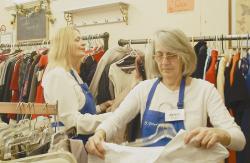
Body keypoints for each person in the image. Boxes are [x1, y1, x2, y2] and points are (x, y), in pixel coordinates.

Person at [85, 28, 246, 159]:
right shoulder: (144, 89)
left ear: (184, 56)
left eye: (171, 55)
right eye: (160, 55)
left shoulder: (205, 90)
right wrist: (100, 134)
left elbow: (239, 140)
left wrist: (220, 134)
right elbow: (115, 121)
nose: (164, 62)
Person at [42, 26, 113, 143]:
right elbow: (72, 122)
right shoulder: (58, 76)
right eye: (77, 40)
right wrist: (112, 117)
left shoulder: (71, 73)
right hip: (74, 145)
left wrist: (101, 107)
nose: (83, 43)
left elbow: (77, 108)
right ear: (64, 45)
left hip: (85, 141)